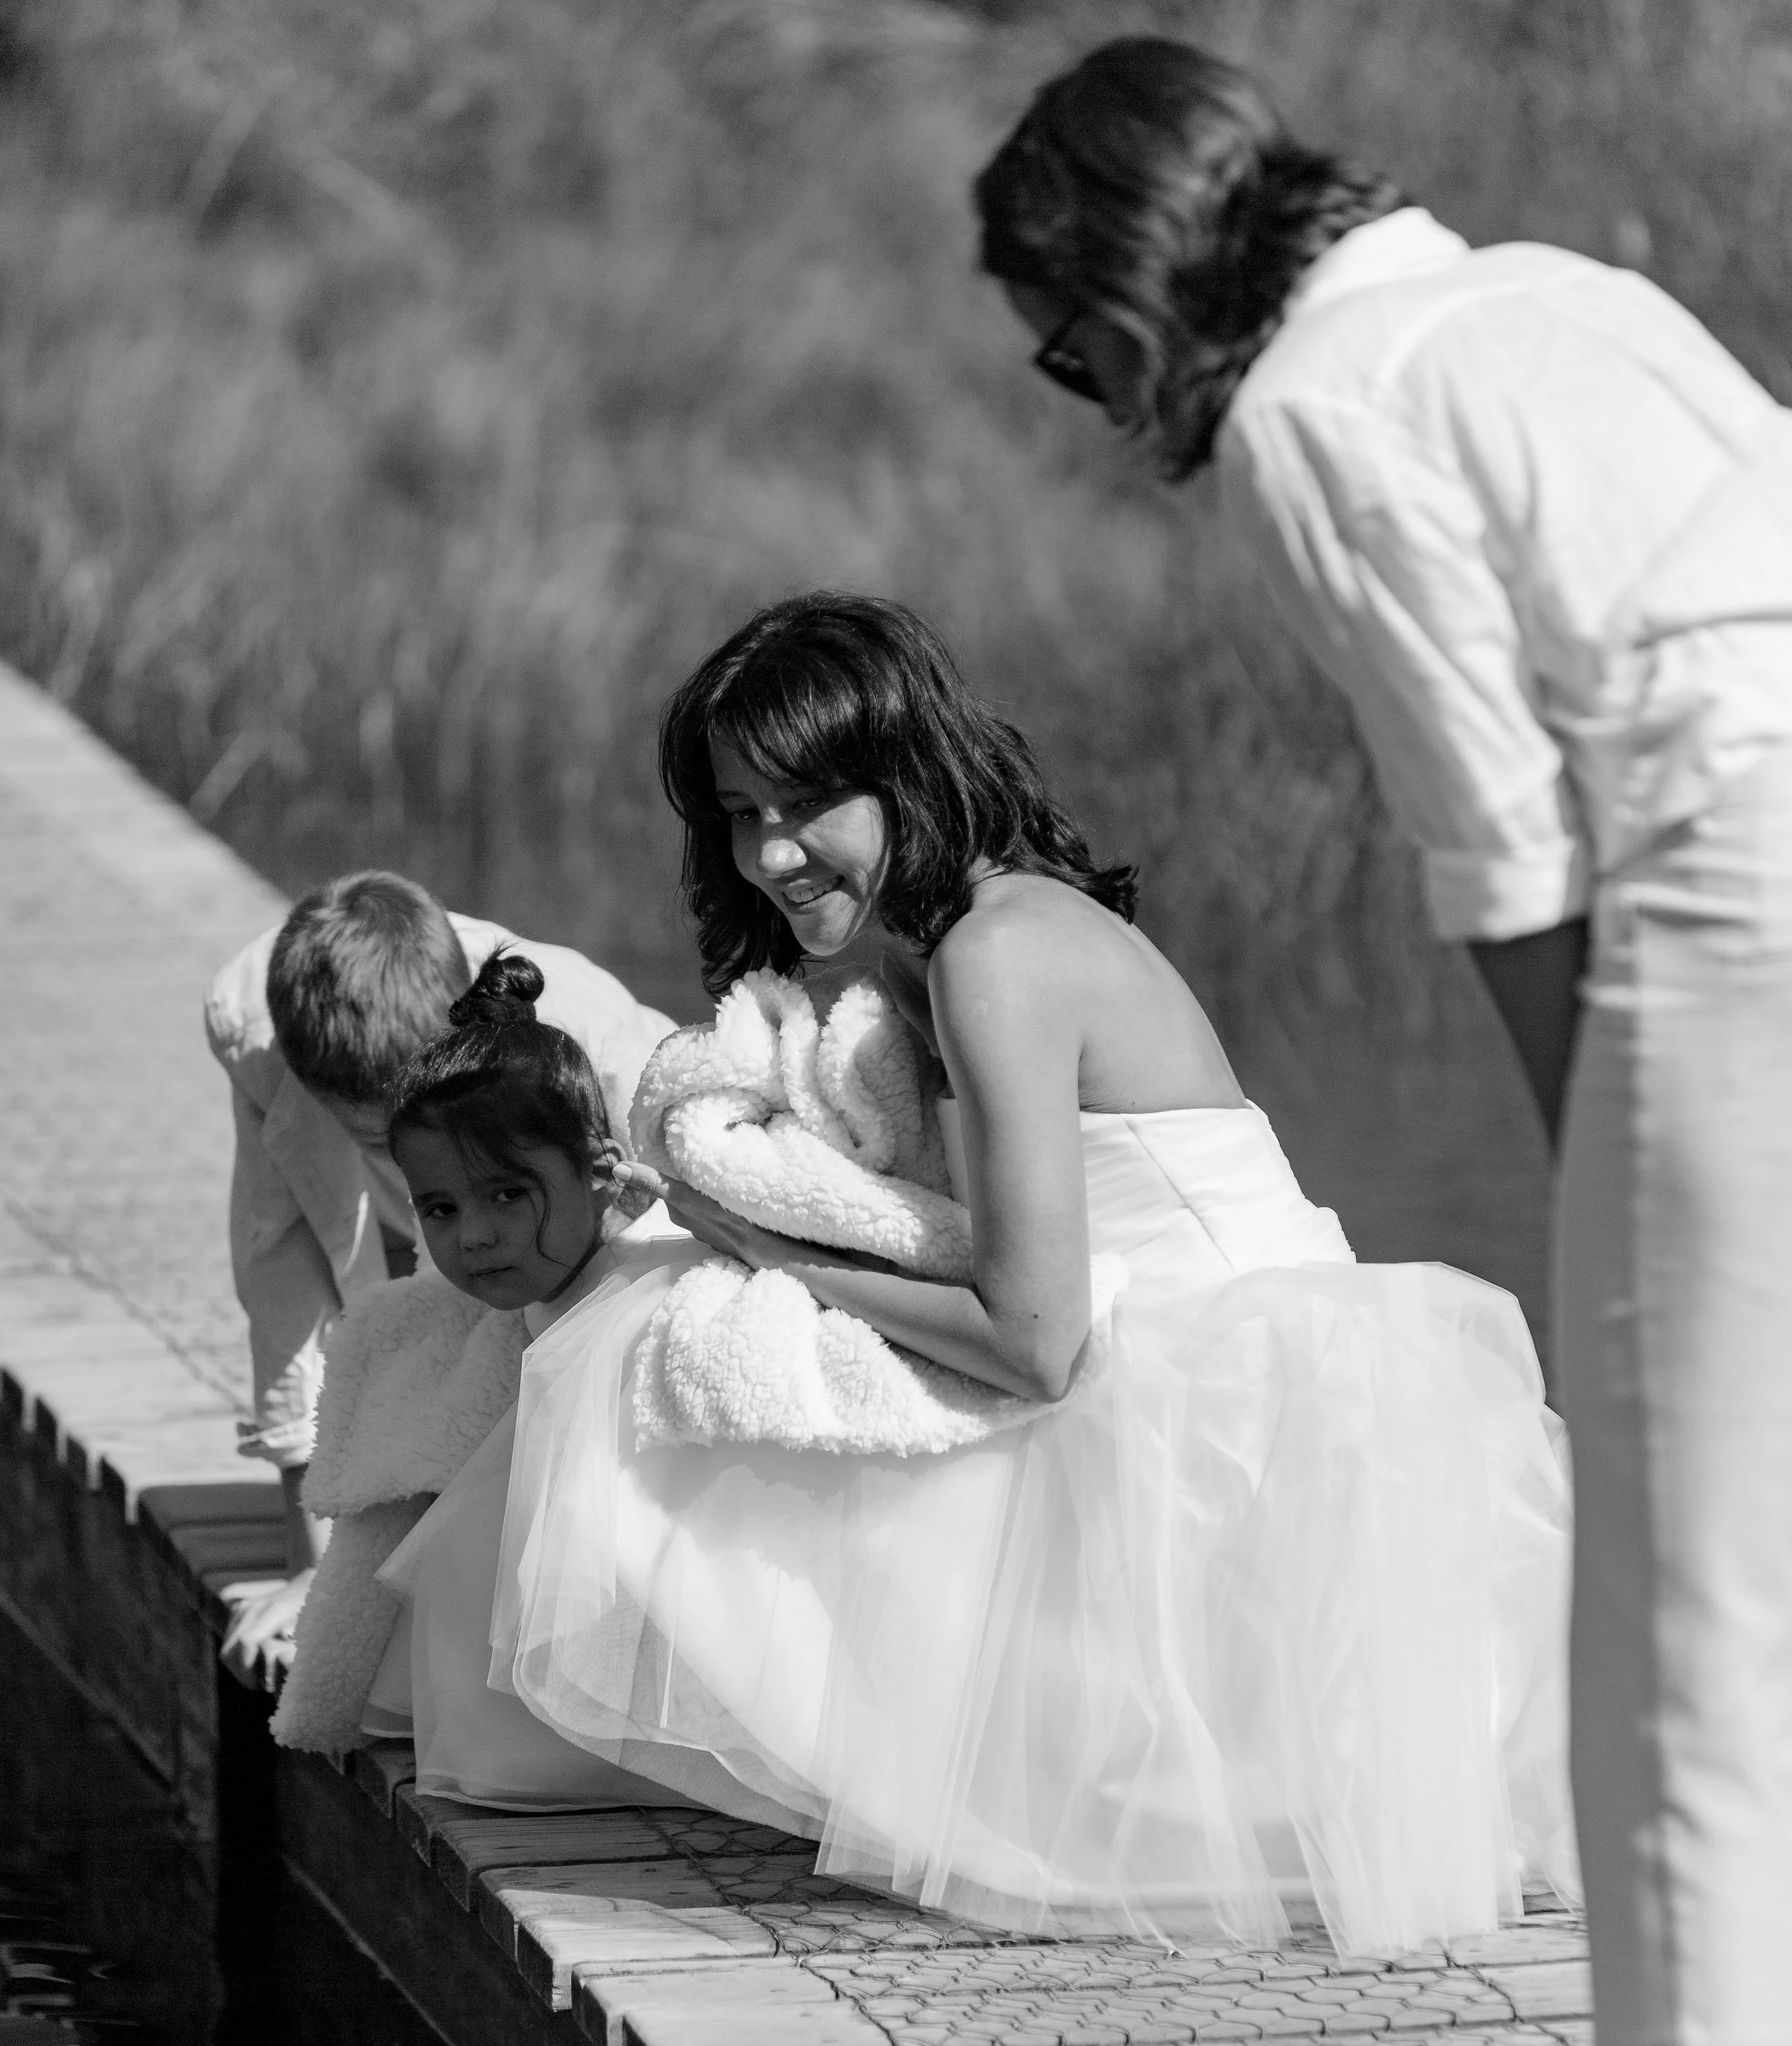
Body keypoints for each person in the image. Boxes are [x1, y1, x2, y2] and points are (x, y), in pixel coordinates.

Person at [974, 36, 1792, 2046]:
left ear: (1129, 272)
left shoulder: (1310, 404)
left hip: (1755, 902)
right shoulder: (1547, 298)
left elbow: (1504, 851)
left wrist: (1585, 1150)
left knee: (1674, 1581)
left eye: (1055, 328)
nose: (1070, 390)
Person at [478, 590, 1576, 1952]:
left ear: (906, 773)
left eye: (804, 803)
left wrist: (775, 1254)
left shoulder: (996, 957)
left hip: (1230, 1412)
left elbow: (1036, 1340)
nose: (769, 852)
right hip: (1189, 1356)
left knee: (652, 1361)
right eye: (738, 812)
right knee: (690, 1333)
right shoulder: (975, 930)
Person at [206, 870, 674, 1678]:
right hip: (451, 1250)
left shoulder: (586, 1037)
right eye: (374, 1138)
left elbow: (669, 1233)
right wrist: (310, 1566)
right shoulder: (253, 1024)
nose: (399, 1153)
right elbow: (280, 1263)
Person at [346, 947, 771, 1815]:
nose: (475, 1237)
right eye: (441, 1209)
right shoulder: (550, 1291)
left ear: (599, 1168)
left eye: (509, 1195)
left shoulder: (650, 1291)